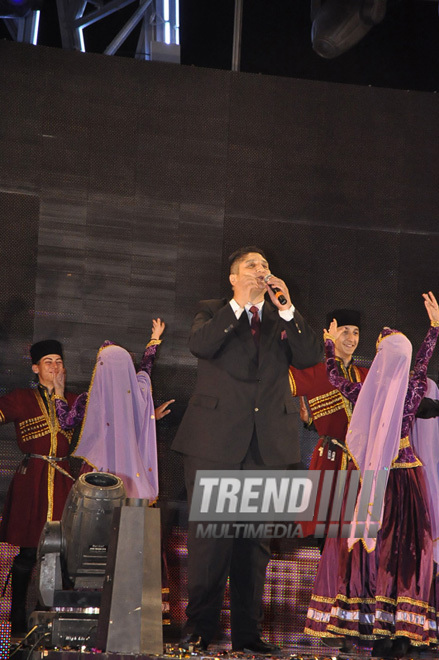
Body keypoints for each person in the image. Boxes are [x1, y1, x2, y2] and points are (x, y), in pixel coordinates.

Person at [172, 246, 322, 653]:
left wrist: (288, 308)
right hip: (214, 443)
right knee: (209, 541)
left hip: (266, 445)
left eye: (266, 266)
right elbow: (201, 345)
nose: (262, 272)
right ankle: (201, 629)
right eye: (252, 267)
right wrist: (239, 306)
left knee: (254, 545)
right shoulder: (212, 311)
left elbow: (311, 358)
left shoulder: (282, 318)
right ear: (233, 278)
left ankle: (247, 636)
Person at [304, 291, 439, 658]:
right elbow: (423, 362)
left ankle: (372, 626)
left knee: (372, 553)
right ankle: (402, 629)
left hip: (377, 482)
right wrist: (434, 328)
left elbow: (333, 377)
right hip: (408, 481)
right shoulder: (413, 390)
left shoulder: (368, 392)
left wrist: (329, 346)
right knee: (406, 554)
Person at [0, 339, 82, 637]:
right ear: (36, 368)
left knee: (59, 553)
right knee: (28, 551)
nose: (55, 367)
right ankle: (17, 617)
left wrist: (149, 414)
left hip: (62, 479)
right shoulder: (21, 397)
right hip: (32, 478)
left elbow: (110, 422)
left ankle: (48, 616)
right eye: (49, 362)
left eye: (59, 361)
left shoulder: (75, 399)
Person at [54, 319, 173, 499]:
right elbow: (145, 370)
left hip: (97, 474)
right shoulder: (135, 396)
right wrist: (154, 339)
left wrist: (59, 394)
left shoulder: (89, 400)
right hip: (131, 473)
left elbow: (66, 422)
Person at [289, 309, 368, 539]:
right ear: (329, 334)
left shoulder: (365, 375)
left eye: (355, 332)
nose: (351, 338)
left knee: (357, 539)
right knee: (326, 537)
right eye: (344, 332)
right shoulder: (316, 372)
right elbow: (278, 382)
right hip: (329, 462)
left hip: (361, 465)